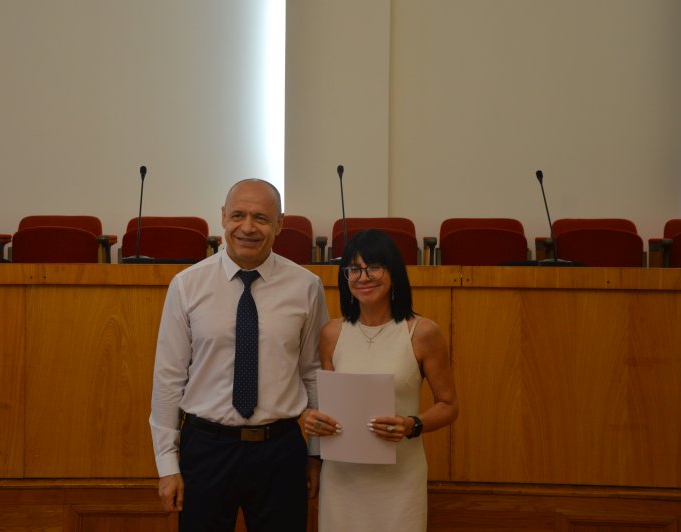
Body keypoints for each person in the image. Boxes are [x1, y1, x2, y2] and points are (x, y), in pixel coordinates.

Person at [149, 179, 330, 532]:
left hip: (280, 451)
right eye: (237, 215)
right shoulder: (187, 285)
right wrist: (167, 465)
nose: (247, 227)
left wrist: (316, 452)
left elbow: (313, 373)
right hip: (206, 450)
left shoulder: (306, 286)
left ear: (279, 223)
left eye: (261, 218)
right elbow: (168, 378)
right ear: (222, 217)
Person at [302, 229, 459, 532]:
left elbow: (449, 405)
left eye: (374, 267)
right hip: (342, 478)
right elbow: (327, 405)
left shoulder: (422, 332)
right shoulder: (332, 333)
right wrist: (312, 418)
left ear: (393, 272)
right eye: (354, 269)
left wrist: (412, 424)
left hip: (399, 478)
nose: (363, 277)